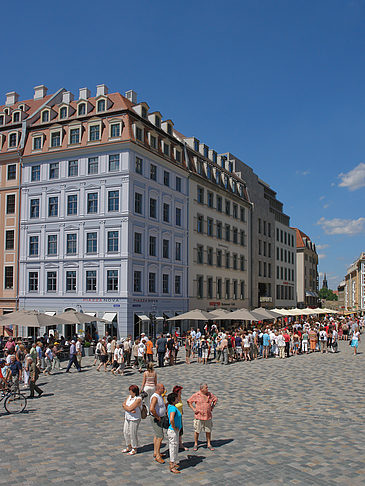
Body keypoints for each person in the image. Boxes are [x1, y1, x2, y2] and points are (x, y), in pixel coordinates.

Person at [187, 383, 218, 451]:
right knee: (197, 431)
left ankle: (209, 443)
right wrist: (194, 409)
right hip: (199, 416)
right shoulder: (196, 395)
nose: (207, 389)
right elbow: (189, 401)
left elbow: (215, 399)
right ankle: (195, 443)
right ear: (201, 389)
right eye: (206, 388)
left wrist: (212, 407)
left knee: (208, 430)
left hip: (208, 416)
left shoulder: (210, 394)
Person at [122, 384, 142, 455]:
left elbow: (130, 407)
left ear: (134, 392)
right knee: (125, 432)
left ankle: (134, 448)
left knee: (132, 433)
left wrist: (128, 409)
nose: (129, 392)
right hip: (127, 417)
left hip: (134, 418)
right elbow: (123, 404)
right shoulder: (129, 396)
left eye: (130, 391)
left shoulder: (138, 399)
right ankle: (129, 446)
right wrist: (129, 410)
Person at [150, 383, 167, 464]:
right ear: (158, 389)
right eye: (163, 388)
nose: (164, 389)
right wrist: (157, 417)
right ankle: (157, 456)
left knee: (157, 436)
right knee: (160, 436)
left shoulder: (160, 396)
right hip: (156, 419)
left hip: (159, 417)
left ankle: (156, 452)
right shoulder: (155, 397)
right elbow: (152, 409)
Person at [167, 392, 182, 474]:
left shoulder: (171, 406)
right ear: (173, 400)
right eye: (176, 398)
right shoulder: (173, 408)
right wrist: (174, 426)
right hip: (173, 431)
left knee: (175, 446)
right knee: (173, 447)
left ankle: (174, 462)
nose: (178, 399)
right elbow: (172, 418)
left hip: (175, 430)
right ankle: (172, 465)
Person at [173, 385, 188, 452]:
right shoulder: (174, 398)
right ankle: (175, 444)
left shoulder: (180, 397)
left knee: (180, 431)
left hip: (180, 416)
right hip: (175, 416)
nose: (181, 392)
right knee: (175, 430)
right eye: (180, 391)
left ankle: (180, 444)